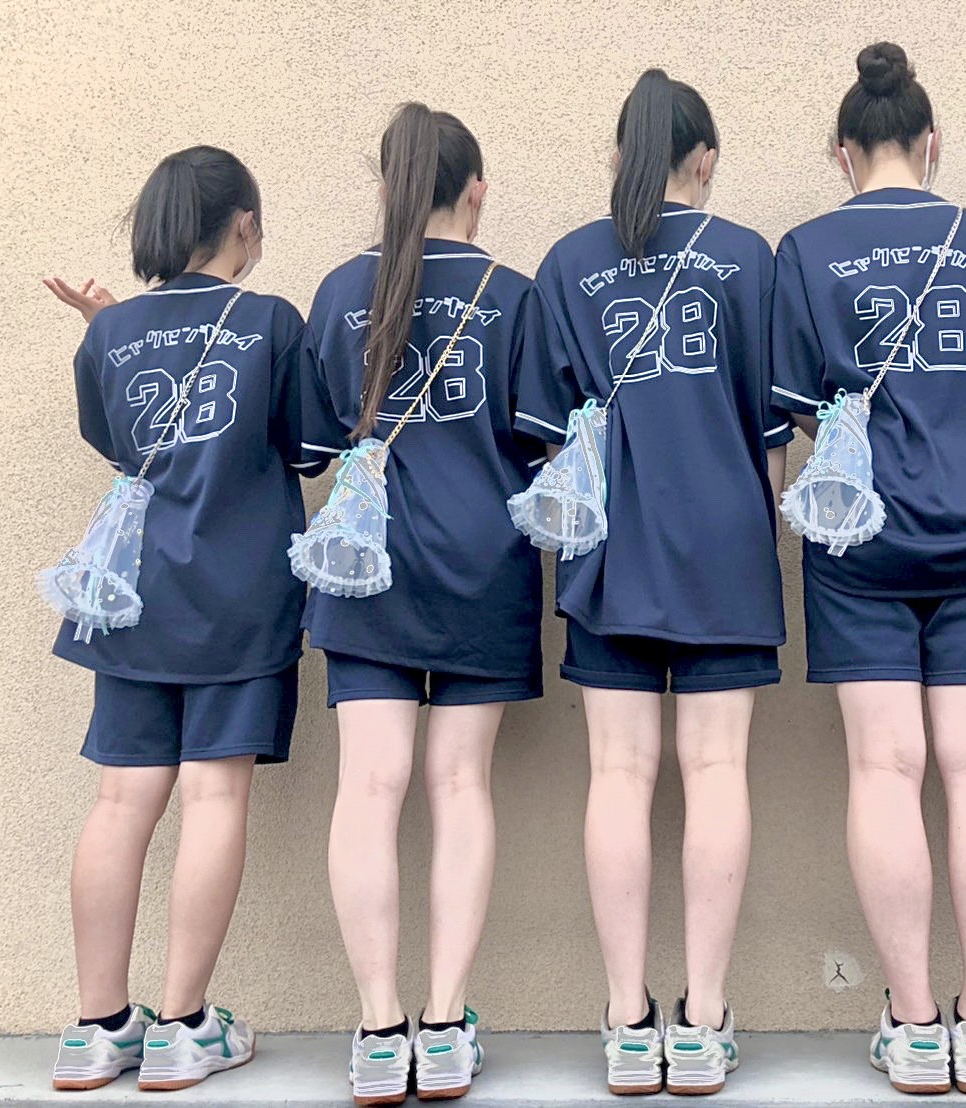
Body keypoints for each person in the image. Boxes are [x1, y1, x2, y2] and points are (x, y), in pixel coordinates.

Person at [771, 42, 966, 1097]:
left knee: (883, 770)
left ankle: (916, 1023)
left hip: (859, 541)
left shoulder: (805, 250)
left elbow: (794, 410)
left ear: (841, 152)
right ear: (933, 143)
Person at [512, 68, 789, 1096]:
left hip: (609, 546)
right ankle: (703, 1020)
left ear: (619, 156)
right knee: (717, 772)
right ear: (702, 159)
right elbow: (772, 434)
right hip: (724, 540)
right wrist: (752, 529)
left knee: (618, 776)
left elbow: (549, 441)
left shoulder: (568, 262)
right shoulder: (744, 256)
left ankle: (629, 1023)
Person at [42, 145, 320, 1092]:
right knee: (213, 797)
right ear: (243, 224)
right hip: (240, 595)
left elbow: (119, 444)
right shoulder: (269, 321)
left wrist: (107, 332)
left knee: (120, 802)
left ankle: (96, 1028)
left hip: (131, 595)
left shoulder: (111, 333)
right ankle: (184, 1026)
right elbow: (308, 447)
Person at [298, 102, 544, 1105]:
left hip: (367, 563)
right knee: (459, 786)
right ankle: (444, 1028)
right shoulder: (511, 293)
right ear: (476, 191)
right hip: (484, 561)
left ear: (388, 187)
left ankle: (377, 1029)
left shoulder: (336, 292)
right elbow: (541, 444)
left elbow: (314, 445)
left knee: (368, 787)